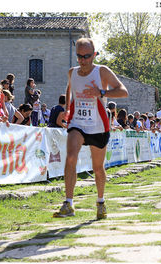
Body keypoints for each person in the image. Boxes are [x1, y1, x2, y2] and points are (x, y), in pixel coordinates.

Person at [53, 37, 128, 219]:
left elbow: (123, 91)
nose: (83, 60)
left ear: (94, 55)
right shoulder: (72, 72)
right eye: (79, 56)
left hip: (98, 125)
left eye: (87, 56)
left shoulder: (102, 71)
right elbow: (70, 87)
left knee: (98, 167)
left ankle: (101, 202)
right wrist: (68, 108)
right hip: (77, 123)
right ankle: (69, 203)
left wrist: (101, 92)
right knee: (70, 158)